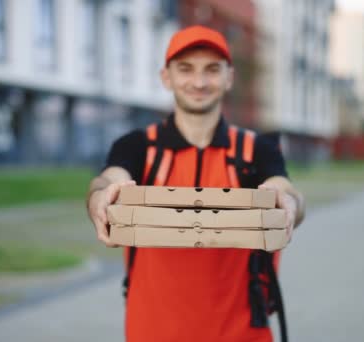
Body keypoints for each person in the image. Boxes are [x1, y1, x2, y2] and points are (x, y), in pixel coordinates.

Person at [87, 25, 305, 342]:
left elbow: (284, 190)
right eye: (186, 69)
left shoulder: (256, 150)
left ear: (229, 77)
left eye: (212, 70)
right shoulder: (138, 147)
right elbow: (110, 179)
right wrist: (98, 198)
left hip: (242, 334)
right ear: (167, 77)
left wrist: (291, 203)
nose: (200, 82)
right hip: (153, 333)